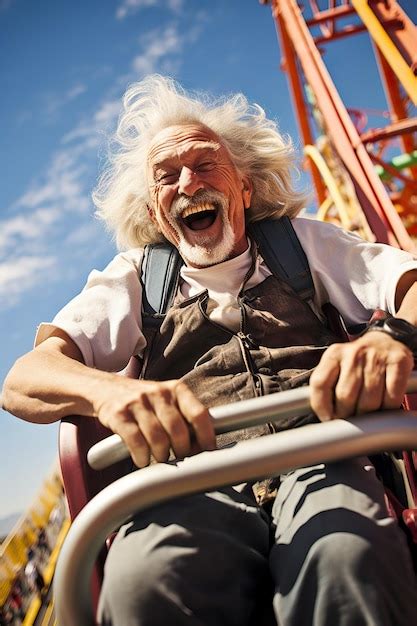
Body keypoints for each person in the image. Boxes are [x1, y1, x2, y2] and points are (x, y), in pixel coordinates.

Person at [3, 75, 417, 626]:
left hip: (321, 461)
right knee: (146, 583)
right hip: (191, 481)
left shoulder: (302, 245)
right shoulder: (135, 280)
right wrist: (107, 392)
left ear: (244, 188)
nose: (187, 183)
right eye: (167, 177)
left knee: (348, 554)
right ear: (156, 213)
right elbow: (24, 380)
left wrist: (393, 339)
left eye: (204, 164)